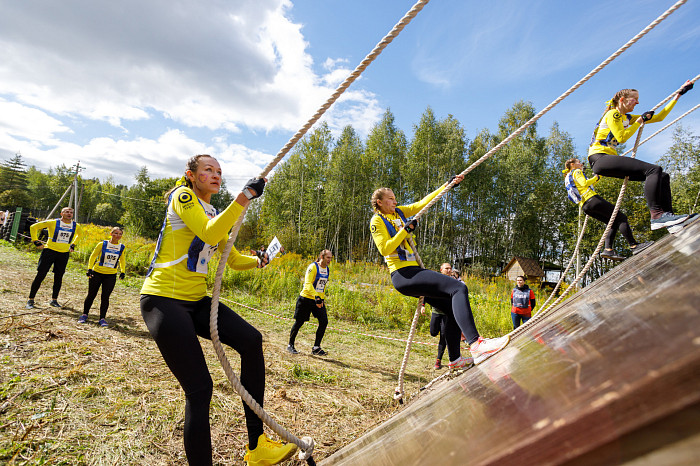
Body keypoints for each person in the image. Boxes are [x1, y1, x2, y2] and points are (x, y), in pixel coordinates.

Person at [139, 154, 296, 466]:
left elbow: (234, 258)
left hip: (196, 301)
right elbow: (209, 233)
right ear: (191, 175)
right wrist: (244, 198)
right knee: (200, 390)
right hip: (163, 300)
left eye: (219, 171)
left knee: (251, 340)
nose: (214, 174)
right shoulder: (183, 197)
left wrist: (261, 260)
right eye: (207, 170)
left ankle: (257, 447)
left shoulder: (211, 210)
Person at [370, 175, 509, 366]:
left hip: (413, 270)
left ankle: (455, 359)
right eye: (390, 199)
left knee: (450, 308)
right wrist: (406, 230)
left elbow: (423, 203)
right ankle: (477, 344)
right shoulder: (376, 221)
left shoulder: (399, 213)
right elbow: (385, 249)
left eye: (395, 198)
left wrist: (448, 185)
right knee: (458, 288)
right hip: (404, 275)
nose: (395, 201)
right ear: (380, 202)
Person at [587, 80, 694, 231]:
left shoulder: (626, 117)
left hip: (605, 159)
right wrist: (640, 121)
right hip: (600, 158)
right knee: (653, 170)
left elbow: (660, 117)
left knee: (662, 176)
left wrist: (678, 95)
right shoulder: (614, 114)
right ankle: (657, 216)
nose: (637, 102)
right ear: (622, 100)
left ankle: (670, 219)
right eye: (634, 99)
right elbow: (621, 137)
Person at [563, 158, 654, 260]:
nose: (581, 164)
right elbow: (585, 183)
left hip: (585, 206)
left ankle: (608, 249)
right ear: (572, 164)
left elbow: (583, 186)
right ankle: (634, 245)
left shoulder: (568, 177)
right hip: (592, 199)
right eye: (579, 162)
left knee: (613, 223)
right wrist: (596, 177)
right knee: (621, 218)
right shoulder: (576, 171)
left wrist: (597, 178)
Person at [26, 206, 82, 309]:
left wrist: (73, 244)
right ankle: (30, 299)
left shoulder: (76, 225)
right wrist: (36, 241)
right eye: (66, 212)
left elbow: (80, 234)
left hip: (63, 253)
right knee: (41, 275)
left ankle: (54, 300)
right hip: (49, 251)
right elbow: (33, 227)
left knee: (58, 277)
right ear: (61, 214)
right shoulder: (53, 222)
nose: (69, 214)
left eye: (71, 212)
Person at [79, 227, 127, 327]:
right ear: (111, 234)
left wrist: (123, 271)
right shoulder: (102, 244)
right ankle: (84, 314)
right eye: (116, 233)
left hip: (111, 275)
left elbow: (122, 260)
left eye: (120, 234)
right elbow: (93, 255)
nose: (118, 236)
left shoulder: (122, 247)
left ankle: (102, 318)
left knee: (105, 297)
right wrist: (89, 268)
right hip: (97, 272)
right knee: (91, 294)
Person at [287, 249, 332, 356]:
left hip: (318, 300)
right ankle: (290, 345)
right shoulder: (313, 267)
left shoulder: (327, 270)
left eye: (331, 258)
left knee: (324, 321)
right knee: (299, 322)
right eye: (328, 257)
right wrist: (316, 296)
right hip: (306, 298)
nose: (330, 260)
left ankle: (316, 347)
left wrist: (321, 299)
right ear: (322, 257)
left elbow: (322, 287)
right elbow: (307, 284)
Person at [425, 262, 465, 370]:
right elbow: (425, 291)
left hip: (447, 313)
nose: (448, 270)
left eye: (450, 268)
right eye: (446, 268)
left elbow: (461, 288)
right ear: (441, 269)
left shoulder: (454, 281)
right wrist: (422, 305)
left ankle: (438, 360)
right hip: (436, 311)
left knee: (443, 337)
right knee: (433, 333)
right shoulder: (436, 279)